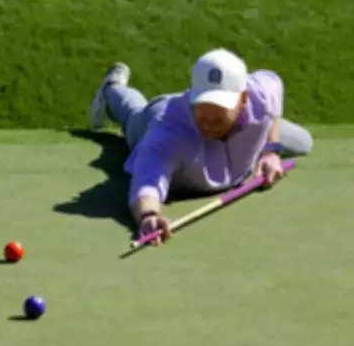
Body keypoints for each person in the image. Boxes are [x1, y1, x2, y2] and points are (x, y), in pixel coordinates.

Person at [89, 48, 313, 245]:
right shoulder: (165, 130)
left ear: (244, 99)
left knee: (303, 142)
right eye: (204, 109)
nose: (209, 121)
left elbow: (274, 87)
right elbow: (147, 181)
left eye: (219, 112)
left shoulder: (260, 94)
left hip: (238, 121)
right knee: (132, 115)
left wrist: (271, 149)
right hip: (157, 115)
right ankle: (111, 89)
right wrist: (149, 215)